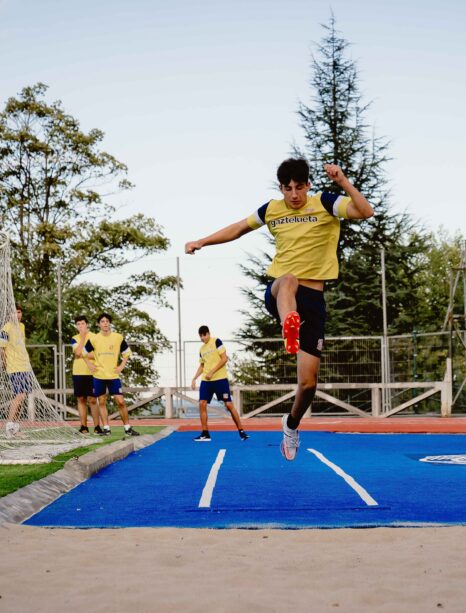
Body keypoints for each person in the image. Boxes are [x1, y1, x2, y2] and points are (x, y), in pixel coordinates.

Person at [185, 159, 374, 460]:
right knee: (288, 279)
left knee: (308, 384)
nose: (294, 195)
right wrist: (202, 241)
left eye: (300, 188)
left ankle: (292, 424)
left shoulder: (325, 203)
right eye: (288, 189)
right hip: (282, 292)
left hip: (314, 299)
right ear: (281, 188)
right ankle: (290, 324)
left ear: (308, 185)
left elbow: (365, 211)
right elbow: (237, 229)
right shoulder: (271, 209)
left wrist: (342, 181)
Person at [190, 325, 248, 442]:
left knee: (229, 405)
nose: (202, 338)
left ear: (208, 333)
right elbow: (202, 365)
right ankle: (205, 434)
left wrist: (212, 371)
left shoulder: (216, 341)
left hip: (220, 379)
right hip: (206, 381)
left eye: (204, 335)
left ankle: (241, 431)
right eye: (200, 336)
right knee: (202, 403)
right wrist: (194, 378)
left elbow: (224, 358)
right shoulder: (201, 349)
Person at [90, 313, 140, 438]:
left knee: (121, 401)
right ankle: (106, 428)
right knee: (101, 401)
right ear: (99, 324)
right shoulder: (94, 338)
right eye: (102, 321)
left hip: (113, 375)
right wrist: (90, 364)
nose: (105, 323)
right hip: (99, 375)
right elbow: (84, 353)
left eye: (107, 321)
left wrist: (121, 366)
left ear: (110, 323)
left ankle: (127, 428)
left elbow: (127, 353)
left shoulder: (118, 337)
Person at [0, 304, 33, 437]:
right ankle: (9, 426)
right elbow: (1, 348)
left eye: (19, 312)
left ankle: (16, 428)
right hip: (14, 367)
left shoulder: (22, 326)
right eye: (14, 312)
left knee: (22, 397)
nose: (17, 315)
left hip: (24, 366)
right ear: (10, 315)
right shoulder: (6, 328)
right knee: (19, 396)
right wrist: (4, 363)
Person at [71, 315, 103, 434]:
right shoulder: (74, 338)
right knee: (81, 399)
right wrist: (83, 337)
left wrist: (83, 354)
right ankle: (83, 427)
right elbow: (78, 352)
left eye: (83, 323)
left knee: (93, 399)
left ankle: (97, 427)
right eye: (78, 324)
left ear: (87, 324)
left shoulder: (95, 337)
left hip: (92, 372)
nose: (81, 326)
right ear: (76, 326)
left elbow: (97, 355)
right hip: (78, 372)